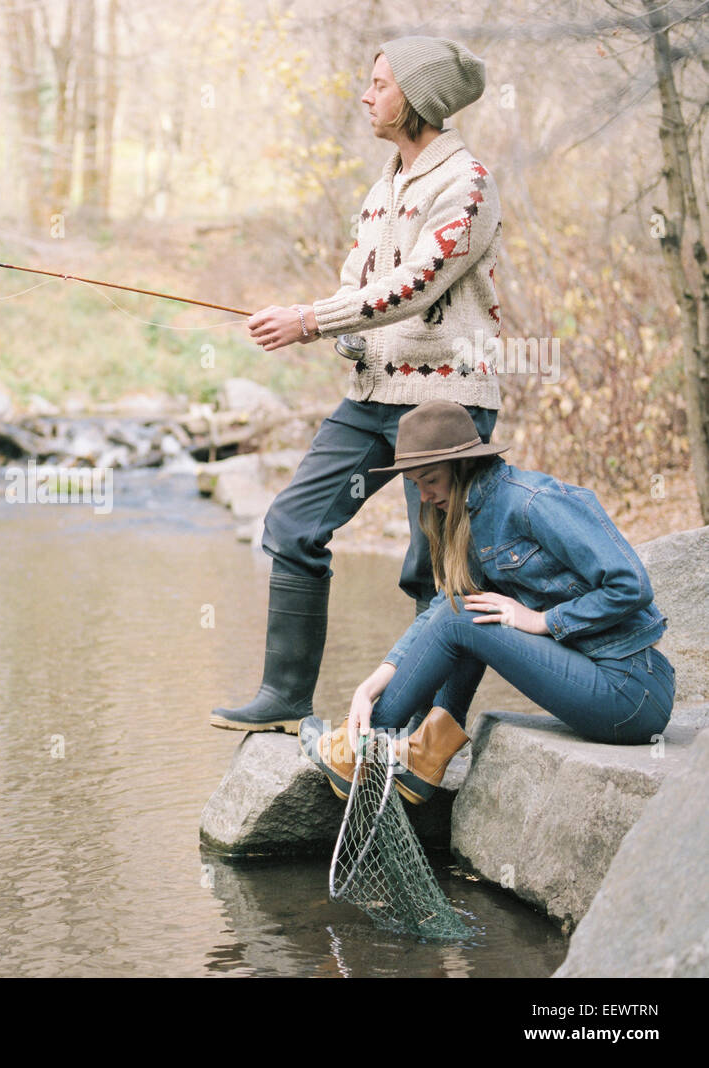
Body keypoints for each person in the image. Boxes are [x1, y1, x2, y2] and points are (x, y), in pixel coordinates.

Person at [212, 36, 505, 733]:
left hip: (444, 405)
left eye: (380, 84)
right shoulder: (384, 186)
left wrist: (310, 320)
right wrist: (336, 330)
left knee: (435, 571)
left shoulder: (467, 183)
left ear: (420, 99)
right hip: (371, 401)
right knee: (291, 525)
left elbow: (415, 286)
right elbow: (362, 288)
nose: (367, 96)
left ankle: (433, 727)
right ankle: (285, 699)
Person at [300, 400, 676, 804]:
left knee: (462, 616)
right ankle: (423, 755)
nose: (424, 496)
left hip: (630, 690)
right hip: (597, 677)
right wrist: (370, 687)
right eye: (414, 483)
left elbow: (631, 585)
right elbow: (441, 611)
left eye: (430, 480)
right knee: (463, 609)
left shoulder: (532, 501)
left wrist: (543, 620)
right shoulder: (471, 516)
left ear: (463, 467)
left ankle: (354, 749)